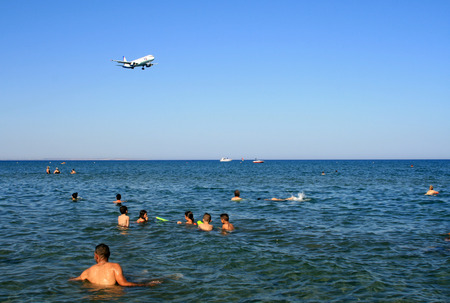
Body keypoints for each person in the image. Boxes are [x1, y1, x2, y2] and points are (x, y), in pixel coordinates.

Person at [69, 243, 161, 286]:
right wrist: (146, 285)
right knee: (138, 279)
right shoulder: (115, 267)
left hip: (95, 295)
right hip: (114, 296)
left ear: (96, 256)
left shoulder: (87, 272)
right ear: (109, 255)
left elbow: (74, 280)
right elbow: (124, 284)